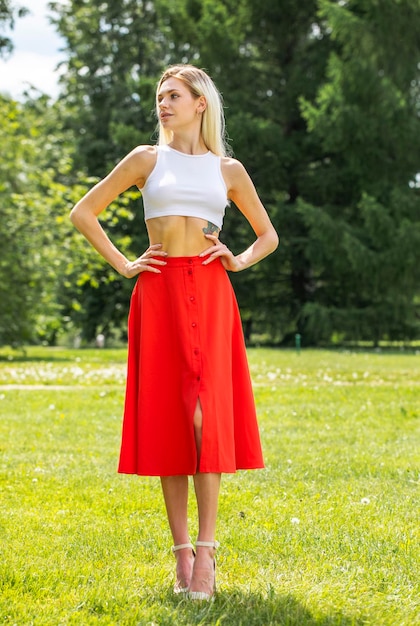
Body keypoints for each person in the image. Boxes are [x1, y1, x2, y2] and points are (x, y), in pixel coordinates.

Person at [70, 64, 278, 600]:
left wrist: (238, 260)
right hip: (158, 292)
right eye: (160, 97)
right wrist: (123, 264)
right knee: (172, 422)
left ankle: (207, 553)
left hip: (210, 293)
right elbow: (84, 212)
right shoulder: (146, 159)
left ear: (200, 103)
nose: (163, 104)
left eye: (174, 96)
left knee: (206, 421)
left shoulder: (228, 169)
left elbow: (267, 236)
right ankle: (180, 552)